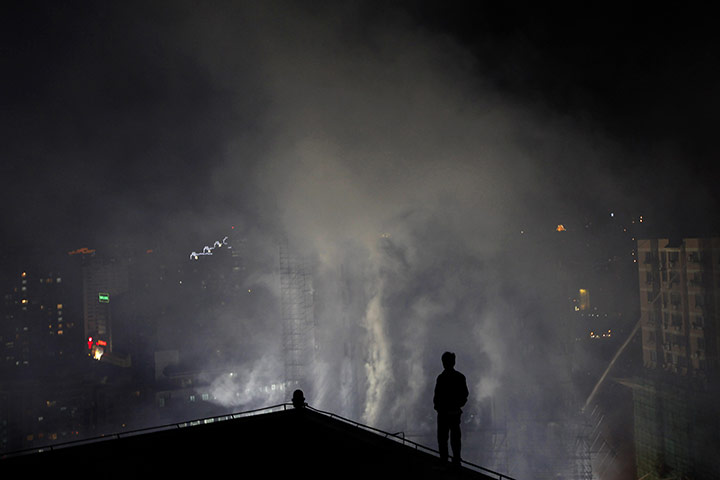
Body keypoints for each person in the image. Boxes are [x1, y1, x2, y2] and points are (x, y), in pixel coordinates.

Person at [433, 351, 469, 467]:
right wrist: (457, 405)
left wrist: (439, 407)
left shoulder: (441, 378)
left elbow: (437, 396)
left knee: (444, 438)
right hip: (453, 413)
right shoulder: (459, 377)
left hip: (444, 413)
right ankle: (456, 460)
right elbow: (464, 395)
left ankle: (445, 460)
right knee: (454, 438)